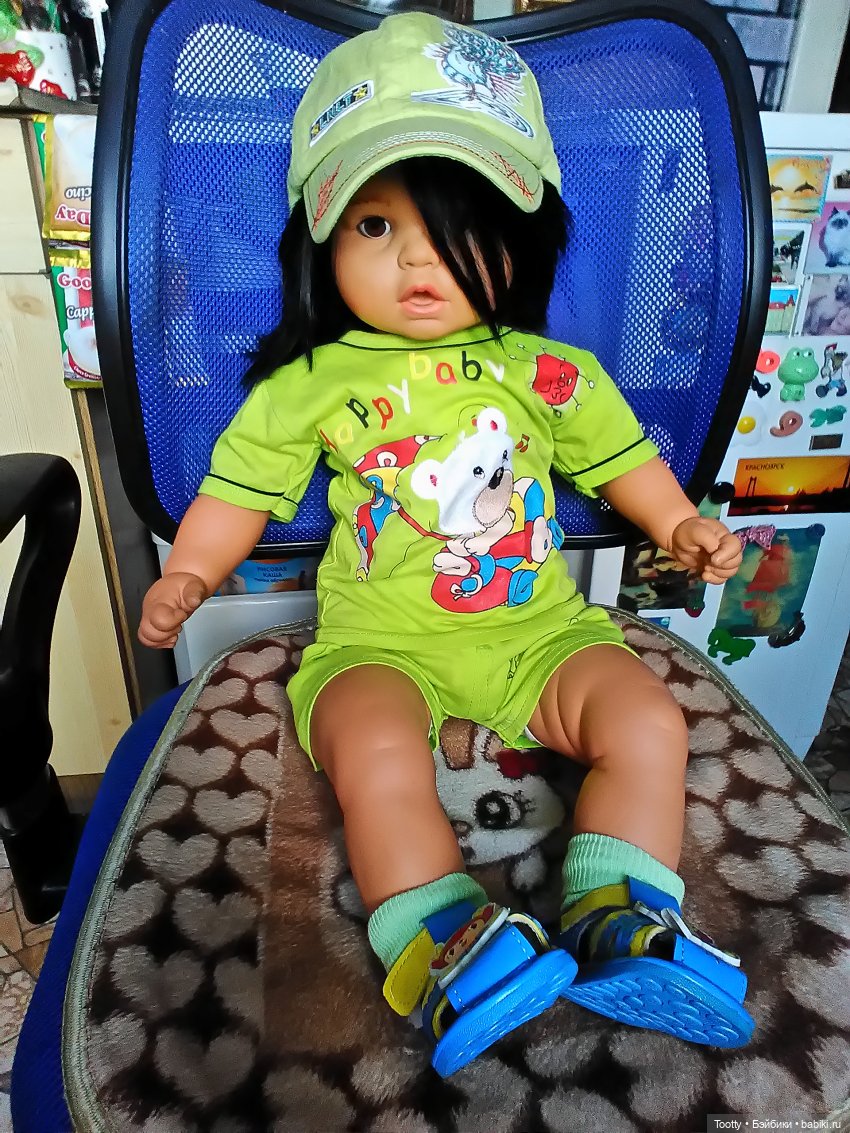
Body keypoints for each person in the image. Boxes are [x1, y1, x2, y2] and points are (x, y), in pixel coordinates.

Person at [139, 13, 754, 1075]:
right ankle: (445, 940)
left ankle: (618, 912)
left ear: (527, 240)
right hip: (377, 641)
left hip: (540, 634)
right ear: (320, 241)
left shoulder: (550, 373)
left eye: (459, 223)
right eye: (376, 224)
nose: (419, 256)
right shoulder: (310, 383)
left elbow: (625, 461)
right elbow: (238, 488)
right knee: (373, 750)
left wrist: (679, 523)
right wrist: (191, 569)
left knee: (648, 722)